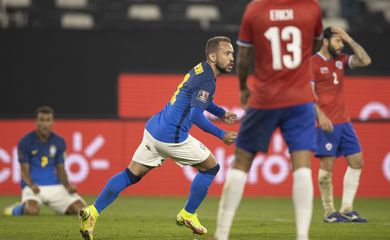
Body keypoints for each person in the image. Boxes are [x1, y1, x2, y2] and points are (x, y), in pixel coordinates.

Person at [78, 36, 238, 240]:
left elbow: (200, 101)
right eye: (227, 53)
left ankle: (91, 212)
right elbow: (196, 115)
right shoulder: (207, 80)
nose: (232, 57)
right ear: (213, 56)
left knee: (130, 174)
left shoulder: (201, 70)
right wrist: (222, 134)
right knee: (211, 168)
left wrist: (222, 113)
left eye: (232, 53)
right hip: (172, 137)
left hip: (154, 129)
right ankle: (188, 214)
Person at [214, 1, 323, 240]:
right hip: (300, 98)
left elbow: (243, 57)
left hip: (265, 97)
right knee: (302, 165)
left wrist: (243, 87)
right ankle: (302, 235)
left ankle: (221, 235)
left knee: (241, 161)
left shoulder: (256, 9)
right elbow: (316, 45)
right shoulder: (311, 7)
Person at [311, 27, 371, 223]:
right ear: (326, 42)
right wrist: (320, 116)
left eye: (342, 41)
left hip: (344, 122)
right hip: (326, 123)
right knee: (326, 169)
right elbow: (307, 94)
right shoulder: (313, 63)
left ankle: (347, 209)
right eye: (338, 41)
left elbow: (365, 60)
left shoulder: (341, 60)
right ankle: (329, 212)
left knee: (357, 162)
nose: (341, 44)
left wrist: (349, 38)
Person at [3, 106, 86, 216]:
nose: (45, 124)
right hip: (34, 187)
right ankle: (15, 209)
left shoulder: (59, 141)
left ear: (52, 122)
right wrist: (31, 185)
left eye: (48, 120)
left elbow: (61, 169)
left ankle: (62, 208)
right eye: (42, 120)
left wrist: (68, 186)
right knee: (32, 211)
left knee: (82, 210)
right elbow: (24, 171)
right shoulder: (25, 141)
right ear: (36, 122)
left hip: (55, 186)